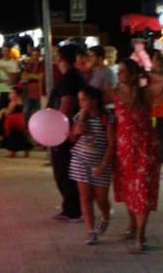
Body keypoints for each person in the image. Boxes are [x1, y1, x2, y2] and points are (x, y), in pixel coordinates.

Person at [113, 58, 160, 253]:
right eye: (119, 71)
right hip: (123, 147)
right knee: (127, 188)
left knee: (142, 188)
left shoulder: (146, 93)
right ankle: (133, 226)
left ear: (132, 74)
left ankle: (141, 234)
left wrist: (144, 74)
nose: (119, 74)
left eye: (123, 71)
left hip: (145, 147)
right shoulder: (114, 93)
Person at [69, 85, 114, 245]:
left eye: (84, 100)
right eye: (79, 100)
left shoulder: (106, 117)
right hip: (81, 160)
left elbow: (111, 144)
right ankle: (91, 230)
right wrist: (79, 124)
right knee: (85, 196)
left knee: (101, 198)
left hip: (101, 162)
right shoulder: (79, 116)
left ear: (94, 101)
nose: (81, 103)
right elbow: (72, 137)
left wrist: (103, 164)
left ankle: (106, 216)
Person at [49, 43, 86, 222]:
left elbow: (67, 104)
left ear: (62, 59)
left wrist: (58, 129)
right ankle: (72, 207)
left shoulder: (68, 79)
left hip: (67, 132)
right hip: (72, 130)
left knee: (64, 170)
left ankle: (73, 209)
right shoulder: (75, 76)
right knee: (68, 170)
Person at [0, 87, 31, 158]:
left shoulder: (13, 102)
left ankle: (12, 151)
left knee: (12, 135)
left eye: (11, 93)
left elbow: (8, 112)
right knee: (21, 135)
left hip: (12, 120)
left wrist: (3, 111)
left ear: (16, 94)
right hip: (20, 118)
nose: (9, 95)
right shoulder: (20, 100)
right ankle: (26, 150)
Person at [21, 48, 44, 121]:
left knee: (38, 114)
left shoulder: (42, 65)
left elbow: (41, 77)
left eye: (36, 55)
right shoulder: (29, 65)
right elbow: (23, 77)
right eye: (33, 55)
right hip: (29, 93)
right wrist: (34, 76)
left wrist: (30, 75)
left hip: (39, 93)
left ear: (39, 55)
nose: (35, 57)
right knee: (25, 113)